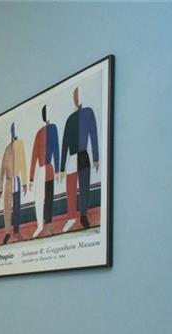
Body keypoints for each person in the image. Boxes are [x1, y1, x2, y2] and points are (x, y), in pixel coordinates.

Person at [59, 86, 100, 229]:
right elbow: (64, 143)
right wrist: (61, 167)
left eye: (78, 95)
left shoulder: (88, 113)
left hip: (83, 155)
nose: (77, 99)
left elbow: (93, 134)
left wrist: (96, 157)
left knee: (84, 187)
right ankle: (71, 216)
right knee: (70, 189)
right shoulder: (70, 119)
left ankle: (83, 215)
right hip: (72, 157)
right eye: (75, 96)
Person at [29, 105, 60, 237]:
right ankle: (41, 225)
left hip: (48, 169)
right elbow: (34, 155)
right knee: (40, 199)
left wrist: (58, 169)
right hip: (41, 170)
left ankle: (48, 225)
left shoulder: (52, 129)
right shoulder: (41, 132)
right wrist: (30, 178)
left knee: (48, 197)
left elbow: (56, 148)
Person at [0, 122, 27, 244]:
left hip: (17, 180)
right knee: (7, 209)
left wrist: (25, 183)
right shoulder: (7, 149)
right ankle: (7, 233)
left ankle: (16, 231)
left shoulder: (20, 145)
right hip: (8, 182)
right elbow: (2, 169)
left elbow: (23, 164)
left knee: (17, 207)